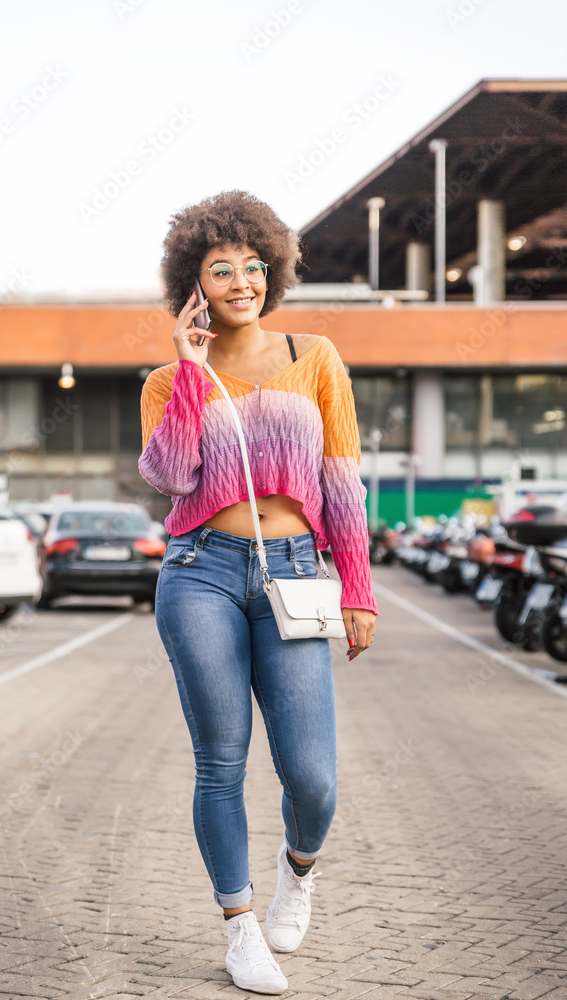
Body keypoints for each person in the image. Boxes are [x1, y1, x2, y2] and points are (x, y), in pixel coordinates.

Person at [138, 190, 378, 995]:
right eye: (219, 269)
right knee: (220, 762)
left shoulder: (314, 356)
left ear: (269, 269)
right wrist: (191, 371)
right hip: (199, 571)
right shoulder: (169, 378)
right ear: (193, 284)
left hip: (295, 572)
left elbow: (341, 481)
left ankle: (297, 869)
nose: (239, 280)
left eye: (251, 265)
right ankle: (240, 929)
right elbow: (170, 478)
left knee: (311, 777)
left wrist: (357, 588)